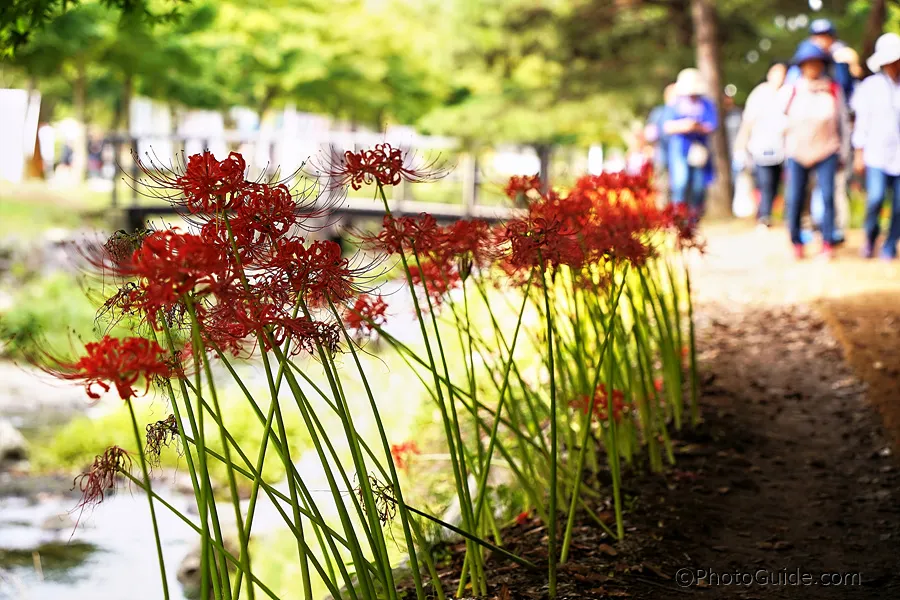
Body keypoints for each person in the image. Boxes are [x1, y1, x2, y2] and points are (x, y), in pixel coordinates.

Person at [782, 41, 851, 260]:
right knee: (795, 198)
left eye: (816, 63)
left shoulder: (832, 89)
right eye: (808, 64)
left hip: (827, 150)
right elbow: (779, 122)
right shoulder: (792, 90)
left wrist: (845, 153)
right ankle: (796, 241)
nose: (812, 68)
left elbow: (843, 123)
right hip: (797, 152)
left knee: (828, 196)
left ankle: (828, 241)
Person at [851, 33, 900, 260]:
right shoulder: (870, 87)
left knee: (899, 207)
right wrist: (858, 154)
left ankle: (890, 245)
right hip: (876, 154)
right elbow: (862, 123)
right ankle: (871, 238)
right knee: (876, 198)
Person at [734, 62, 788, 227]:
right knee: (765, 182)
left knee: (777, 183)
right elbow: (748, 122)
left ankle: (774, 213)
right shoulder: (760, 93)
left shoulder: (788, 93)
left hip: (784, 148)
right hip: (761, 147)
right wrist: (740, 146)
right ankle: (764, 215)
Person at [663, 68, 718, 213]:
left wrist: (697, 127)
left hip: (699, 149)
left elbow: (712, 125)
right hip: (680, 148)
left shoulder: (706, 104)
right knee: (680, 183)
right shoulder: (675, 104)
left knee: (698, 186)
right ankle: (678, 217)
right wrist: (684, 125)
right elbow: (667, 126)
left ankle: (693, 220)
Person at [645, 84, 676, 200]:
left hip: (679, 156)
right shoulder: (659, 112)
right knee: (663, 187)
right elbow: (650, 133)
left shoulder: (681, 111)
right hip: (662, 155)